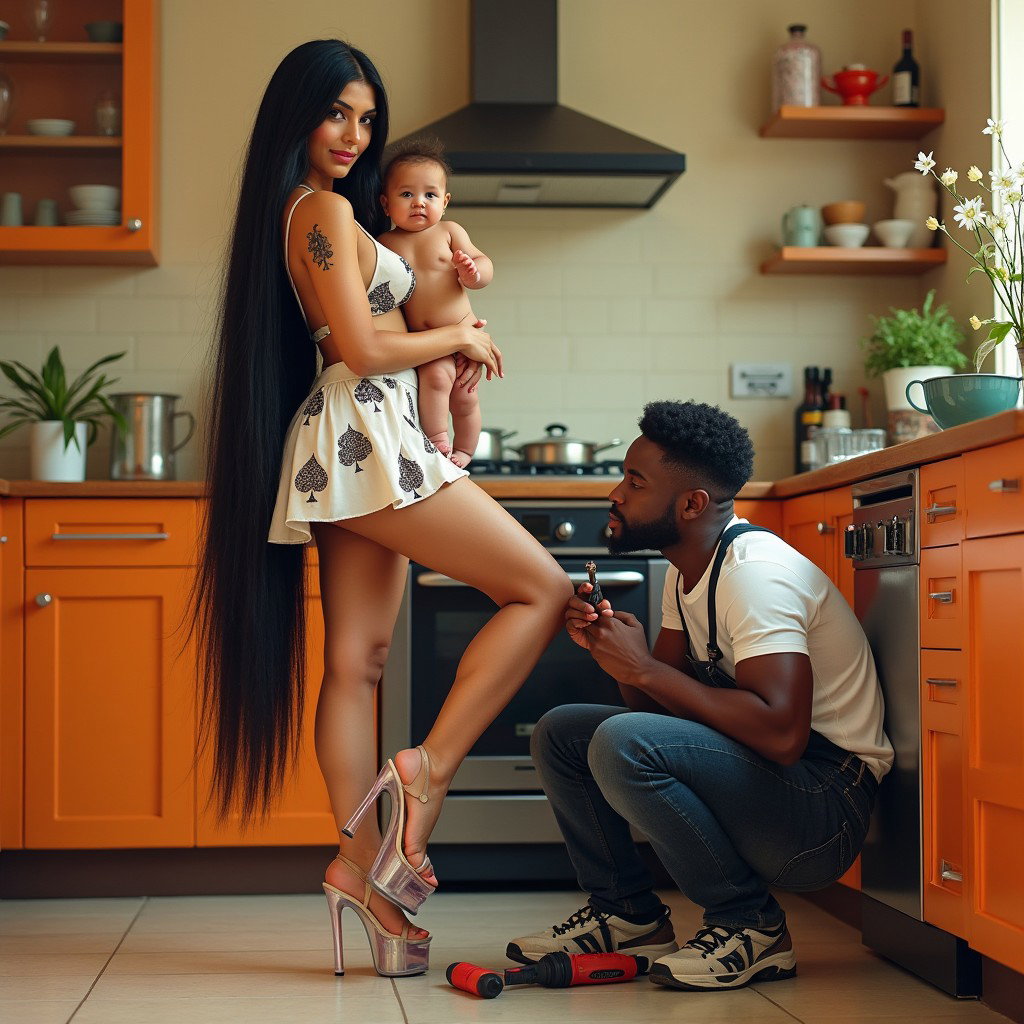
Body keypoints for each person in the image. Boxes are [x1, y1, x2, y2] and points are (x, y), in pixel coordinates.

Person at [193, 39, 571, 980]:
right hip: (367, 432)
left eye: (366, 119)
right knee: (543, 589)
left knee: (356, 665)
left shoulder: (320, 209)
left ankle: (363, 871)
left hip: (360, 437)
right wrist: (459, 335)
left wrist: (448, 334)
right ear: (297, 115)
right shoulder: (319, 209)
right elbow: (360, 348)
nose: (355, 135)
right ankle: (425, 775)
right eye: (336, 113)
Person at [507, 400, 892, 992]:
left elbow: (783, 736)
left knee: (620, 741)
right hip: (772, 780)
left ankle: (751, 927)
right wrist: (624, 664)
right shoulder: (688, 570)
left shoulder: (754, 574)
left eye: (635, 482)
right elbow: (653, 713)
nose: (615, 494)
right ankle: (627, 917)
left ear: (691, 504)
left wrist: (645, 669)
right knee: (564, 733)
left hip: (824, 807)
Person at [377, 139, 489, 468]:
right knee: (437, 382)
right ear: (386, 204)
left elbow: (484, 264)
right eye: (406, 194)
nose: (419, 202)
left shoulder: (450, 232)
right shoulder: (384, 244)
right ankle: (438, 441)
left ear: (445, 201)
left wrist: (472, 274)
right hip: (427, 343)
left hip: (463, 332)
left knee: (465, 397)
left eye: (430, 194)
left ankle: (465, 450)